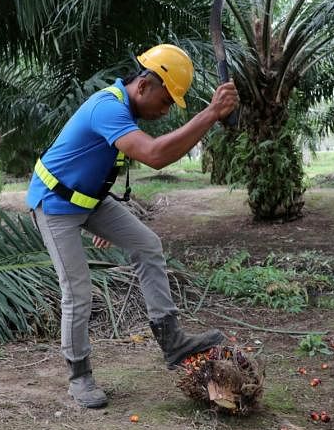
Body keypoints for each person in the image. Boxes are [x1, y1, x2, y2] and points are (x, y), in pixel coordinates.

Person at [27, 44, 239, 408]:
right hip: (56, 205)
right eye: (167, 99)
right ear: (143, 85)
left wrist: (100, 212)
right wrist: (212, 113)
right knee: (78, 293)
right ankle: (79, 376)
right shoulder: (107, 107)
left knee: (146, 244)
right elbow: (155, 155)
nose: (167, 109)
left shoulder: (124, 110)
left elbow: (103, 162)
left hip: (89, 200)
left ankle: (172, 341)